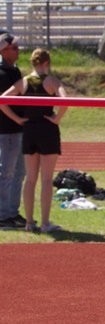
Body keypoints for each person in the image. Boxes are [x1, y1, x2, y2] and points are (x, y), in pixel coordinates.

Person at [0, 48, 68, 233]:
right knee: (46, 179)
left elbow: (2, 99)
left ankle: (29, 222)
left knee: (30, 179)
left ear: (33, 62)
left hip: (29, 130)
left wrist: (17, 119)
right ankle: (45, 223)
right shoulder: (52, 81)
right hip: (47, 130)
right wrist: (57, 118)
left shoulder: (23, 82)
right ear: (47, 63)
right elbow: (66, 100)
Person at [0, 33, 27, 230]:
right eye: (14, 47)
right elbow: (2, 102)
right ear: (3, 50)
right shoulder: (1, 73)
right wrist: (17, 118)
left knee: (19, 172)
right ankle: (2, 215)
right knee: (6, 173)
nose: (18, 50)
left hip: (19, 130)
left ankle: (12, 212)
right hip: (6, 130)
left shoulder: (15, 71)